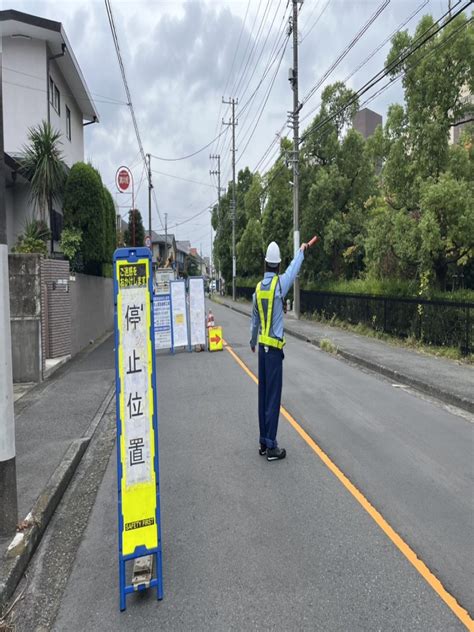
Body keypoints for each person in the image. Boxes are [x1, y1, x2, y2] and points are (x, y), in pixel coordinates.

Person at [250, 240, 308, 461]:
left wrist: (252, 341)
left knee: (263, 396)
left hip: (262, 352)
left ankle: (263, 442)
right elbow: (293, 269)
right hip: (274, 352)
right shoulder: (279, 285)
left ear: (265, 264)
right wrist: (301, 251)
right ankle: (272, 446)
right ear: (278, 264)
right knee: (273, 398)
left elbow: (254, 320)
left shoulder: (257, 289)